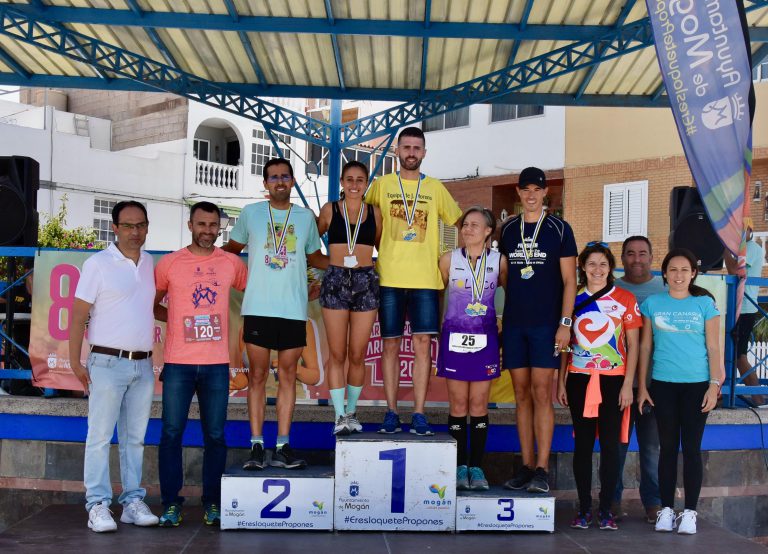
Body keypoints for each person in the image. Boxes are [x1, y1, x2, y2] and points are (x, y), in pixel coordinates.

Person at [223, 157, 327, 470]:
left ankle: (282, 446)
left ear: (293, 180)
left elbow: (315, 257)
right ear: (265, 183)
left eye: (284, 176)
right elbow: (231, 251)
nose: (279, 181)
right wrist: (201, 262)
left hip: (293, 310)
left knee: (288, 377)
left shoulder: (306, 217)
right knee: (256, 377)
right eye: (273, 177)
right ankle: (256, 445)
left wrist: (349, 263)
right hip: (257, 309)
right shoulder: (251, 213)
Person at [153, 202, 248, 527]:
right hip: (178, 364)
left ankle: (213, 503)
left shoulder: (231, 264)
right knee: (170, 434)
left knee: (216, 436)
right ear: (190, 224)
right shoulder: (169, 264)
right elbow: (152, 304)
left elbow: (257, 293)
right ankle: (170, 504)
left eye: (213, 225)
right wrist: (179, 320)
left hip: (217, 365)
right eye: (201, 224)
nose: (207, 230)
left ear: (219, 227)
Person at [69, 200, 159, 532]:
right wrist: (74, 362)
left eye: (141, 226)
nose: (135, 232)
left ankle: (132, 502)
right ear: (115, 228)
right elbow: (78, 316)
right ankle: (97, 505)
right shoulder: (97, 264)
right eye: (128, 226)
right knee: (100, 437)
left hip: (143, 365)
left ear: (147, 227)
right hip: (106, 362)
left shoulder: (150, 263)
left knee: (135, 438)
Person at [365, 126, 462, 435]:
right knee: (390, 345)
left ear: (424, 153)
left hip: (426, 279)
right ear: (397, 151)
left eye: (416, 148)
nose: (410, 152)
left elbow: (457, 222)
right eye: (405, 147)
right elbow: (364, 220)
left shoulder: (435, 188)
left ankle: (419, 412)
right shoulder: (381, 185)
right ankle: (392, 411)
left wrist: (451, 257)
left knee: (422, 346)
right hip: (389, 276)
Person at [500, 166, 577, 493]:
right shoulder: (506, 230)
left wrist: (564, 323)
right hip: (516, 324)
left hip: (548, 325)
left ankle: (543, 469)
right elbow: (503, 276)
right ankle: (527, 465)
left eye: (537, 189)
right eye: (525, 189)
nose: (531, 195)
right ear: (518, 192)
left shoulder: (560, 229)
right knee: (520, 396)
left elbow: (570, 280)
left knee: (542, 394)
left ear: (546, 193)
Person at [637, 248, 721, 535]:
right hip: (663, 385)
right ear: (665, 273)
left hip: (697, 386)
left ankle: (690, 513)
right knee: (667, 449)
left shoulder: (704, 304)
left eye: (684, 270)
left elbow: (713, 347)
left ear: (693, 273)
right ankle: (667, 510)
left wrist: (715, 384)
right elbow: (645, 347)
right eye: (673, 269)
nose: (678, 275)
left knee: (692, 449)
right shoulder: (653, 303)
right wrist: (642, 387)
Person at [557, 242, 640, 531]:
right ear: (582, 267)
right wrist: (561, 381)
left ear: (610, 267)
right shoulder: (571, 299)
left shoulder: (625, 299)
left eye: (603, 264)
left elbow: (634, 345)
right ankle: (582, 508)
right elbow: (564, 345)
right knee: (581, 446)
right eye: (591, 264)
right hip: (579, 379)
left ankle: (606, 509)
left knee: (610, 447)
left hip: (614, 382)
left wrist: (629, 384)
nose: (597, 269)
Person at [437, 206, 507, 491]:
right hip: (454, 337)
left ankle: (476, 467)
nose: (467, 229)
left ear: (489, 231)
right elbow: (438, 295)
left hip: (485, 338)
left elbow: (511, 296)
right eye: (465, 224)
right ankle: (458, 468)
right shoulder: (448, 260)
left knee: (478, 405)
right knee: (458, 405)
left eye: (475, 225)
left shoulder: (499, 261)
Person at [317, 160, 382, 435]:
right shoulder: (330, 209)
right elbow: (310, 243)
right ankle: (339, 415)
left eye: (360, 180)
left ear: (366, 184)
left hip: (365, 281)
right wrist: (327, 268)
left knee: (357, 354)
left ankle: (352, 412)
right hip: (335, 281)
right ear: (342, 183)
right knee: (336, 353)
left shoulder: (375, 212)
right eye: (350, 179)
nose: (355, 185)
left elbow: (382, 247)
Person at [613, 235, 664, 523]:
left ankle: (653, 503)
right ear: (622, 259)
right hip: (619, 383)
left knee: (651, 448)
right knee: (616, 446)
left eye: (643, 253)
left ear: (652, 257)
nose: (637, 259)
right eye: (630, 253)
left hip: (656, 384)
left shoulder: (665, 290)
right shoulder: (612, 289)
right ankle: (612, 499)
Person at [724, 217, 765, 406]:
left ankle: (758, 397)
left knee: (739, 355)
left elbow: (734, 270)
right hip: (740, 308)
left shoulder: (752, 249)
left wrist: (725, 248)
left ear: (749, 230)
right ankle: (755, 397)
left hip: (746, 308)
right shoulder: (745, 249)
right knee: (735, 354)